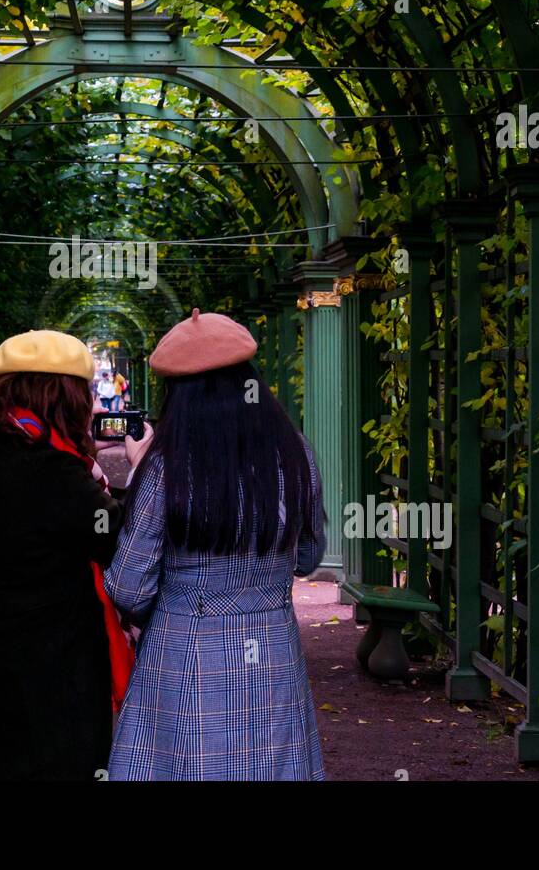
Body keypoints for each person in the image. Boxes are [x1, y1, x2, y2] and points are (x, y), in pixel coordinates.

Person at [104, 308, 326, 781]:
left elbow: (128, 585)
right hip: (273, 653)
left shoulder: (167, 466)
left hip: (184, 653)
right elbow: (307, 557)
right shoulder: (294, 453)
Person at [0, 330, 144, 781]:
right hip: (50, 667)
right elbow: (116, 538)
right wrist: (142, 469)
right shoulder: (51, 468)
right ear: (61, 397)